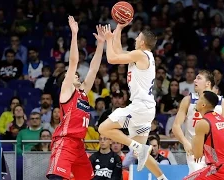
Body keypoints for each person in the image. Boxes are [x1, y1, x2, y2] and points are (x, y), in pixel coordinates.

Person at [98, 23, 168, 180]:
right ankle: (162, 178)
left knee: (103, 128)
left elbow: (111, 58)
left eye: (138, 37)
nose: (135, 38)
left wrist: (109, 39)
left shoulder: (141, 54)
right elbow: (118, 52)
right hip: (146, 110)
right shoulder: (141, 55)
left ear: (142, 42)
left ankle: (135, 145)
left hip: (140, 107)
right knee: (140, 151)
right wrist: (119, 29)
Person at [46, 16, 105, 180]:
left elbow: (93, 69)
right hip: (64, 142)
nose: (77, 76)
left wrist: (100, 44)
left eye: (78, 75)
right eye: (74, 76)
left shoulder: (83, 92)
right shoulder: (66, 91)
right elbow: (73, 62)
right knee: (56, 177)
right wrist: (74, 34)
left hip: (78, 144)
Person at [172, 70, 224, 174]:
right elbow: (176, 126)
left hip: (215, 152)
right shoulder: (188, 100)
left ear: (208, 83)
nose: (195, 80)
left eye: (199, 78)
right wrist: (185, 142)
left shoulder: (222, 102)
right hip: (194, 150)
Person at [183, 91, 224, 180]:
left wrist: (193, 139)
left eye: (199, 99)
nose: (196, 101)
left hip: (221, 168)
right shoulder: (220, 118)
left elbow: (197, 155)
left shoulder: (203, 123)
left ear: (203, 105)